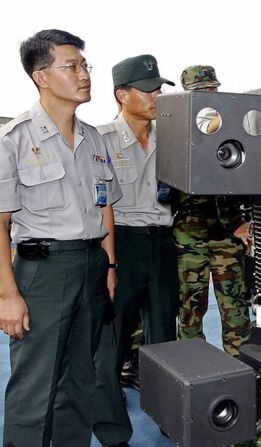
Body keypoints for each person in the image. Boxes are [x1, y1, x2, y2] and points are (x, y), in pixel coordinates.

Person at [0, 29, 121, 446]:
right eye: (72, 66)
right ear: (42, 77)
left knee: (80, 381)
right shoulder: (14, 139)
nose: (85, 74)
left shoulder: (94, 138)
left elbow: (105, 205)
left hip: (91, 267)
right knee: (35, 388)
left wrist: (109, 265)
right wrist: (7, 295)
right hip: (44, 272)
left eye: (85, 65)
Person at [92, 54, 178, 447]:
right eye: (147, 90)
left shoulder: (173, 139)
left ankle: (170, 418)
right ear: (122, 95)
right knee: (112, 341)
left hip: (162, 243)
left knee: (164, 339)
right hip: (121, 243)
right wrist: (108, 262)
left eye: (159, 89)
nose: (156, 96)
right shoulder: (100, 141)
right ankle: (112, 431)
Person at [174, 65, 251, 355]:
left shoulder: (234, 131)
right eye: (200, 92)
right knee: (190, 309)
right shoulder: (174, 132)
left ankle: (241, 366)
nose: (208, 96)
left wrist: (239, 221)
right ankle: (193, 367)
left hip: (226, 237)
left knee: (235, 308)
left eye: (212, 90)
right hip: (189, 236)